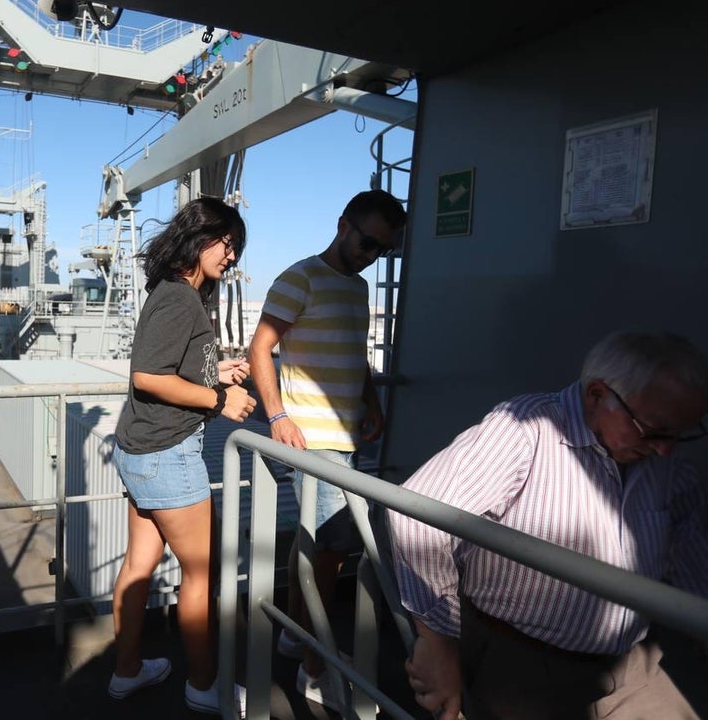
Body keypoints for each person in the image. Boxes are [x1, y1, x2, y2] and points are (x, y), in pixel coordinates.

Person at [388, 330, 708, 720]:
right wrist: (438, 639)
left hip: (634, 663)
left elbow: (689, 556)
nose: (665, 448)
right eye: (654, 429)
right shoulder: (526, 430)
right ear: (596, 396)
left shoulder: (667, 463)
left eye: (681, 433)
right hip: (521, 664)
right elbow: (417, 515)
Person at [247, 188, 406, 710]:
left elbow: (355, 352)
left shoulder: (358, 289)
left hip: (342, 439)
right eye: (366, 243)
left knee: (318, 550)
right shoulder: (300, 277)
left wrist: (370, 399)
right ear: (342, 225)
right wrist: (277, 416)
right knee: (330, 552)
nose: (370, 255)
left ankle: (296, 638)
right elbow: (260, 347)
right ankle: (315, 668)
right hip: (310, 441)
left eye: (380, 250)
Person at [108, 196, 256, 718]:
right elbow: (147, 376)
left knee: (140, 564)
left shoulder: (171, 291)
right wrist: (219, 399)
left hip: (140, 450)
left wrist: (217, 372)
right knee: (200, 574)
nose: (232, 256)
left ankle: (126, 672)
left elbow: (173, 368)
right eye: (227, 243)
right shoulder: (180, 298)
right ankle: (203, 686)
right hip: (168, 453)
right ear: (201, 237)